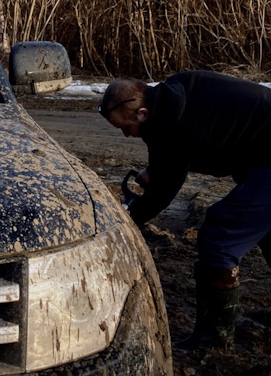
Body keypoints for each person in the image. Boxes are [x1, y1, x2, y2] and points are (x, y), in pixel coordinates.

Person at [100, 71, 271, 350]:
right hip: (261, 154)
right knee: (263, 226)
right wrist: (159, 169)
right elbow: (196, 137)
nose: (126, 135)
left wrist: (127, 223)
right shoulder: (176, 91)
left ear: (143, 113)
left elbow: (161, 194)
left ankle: (213, 340)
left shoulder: (168, 127)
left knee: (220, 235)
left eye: (125, 127)